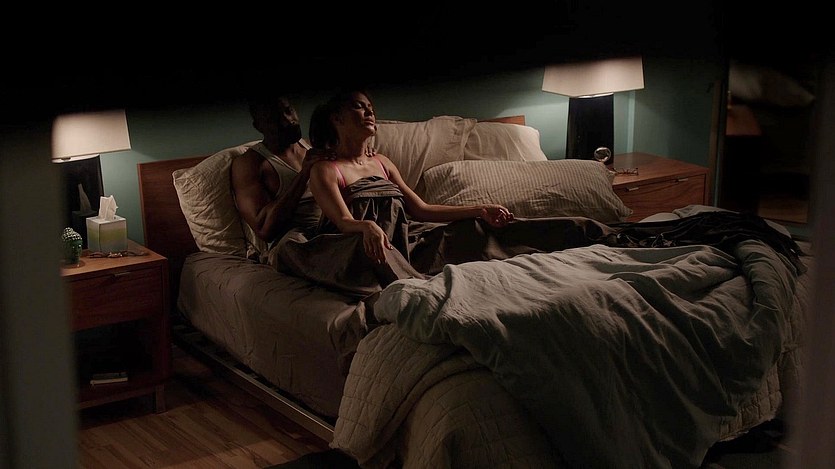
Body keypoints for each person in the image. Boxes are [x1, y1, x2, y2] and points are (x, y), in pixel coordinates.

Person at [270, 90, 615, 298]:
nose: (370, 112)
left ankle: (590, 233)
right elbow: (343, 221)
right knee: (371, 247)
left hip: (406, 243)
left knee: (478, 230)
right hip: (360, 249)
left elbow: (421, 209)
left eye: (371, 106)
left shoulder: (382, 162)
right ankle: (425, 294)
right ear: (337, 119)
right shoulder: (325, 169)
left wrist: (479, 209)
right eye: (359, 107)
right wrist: (366, 226)